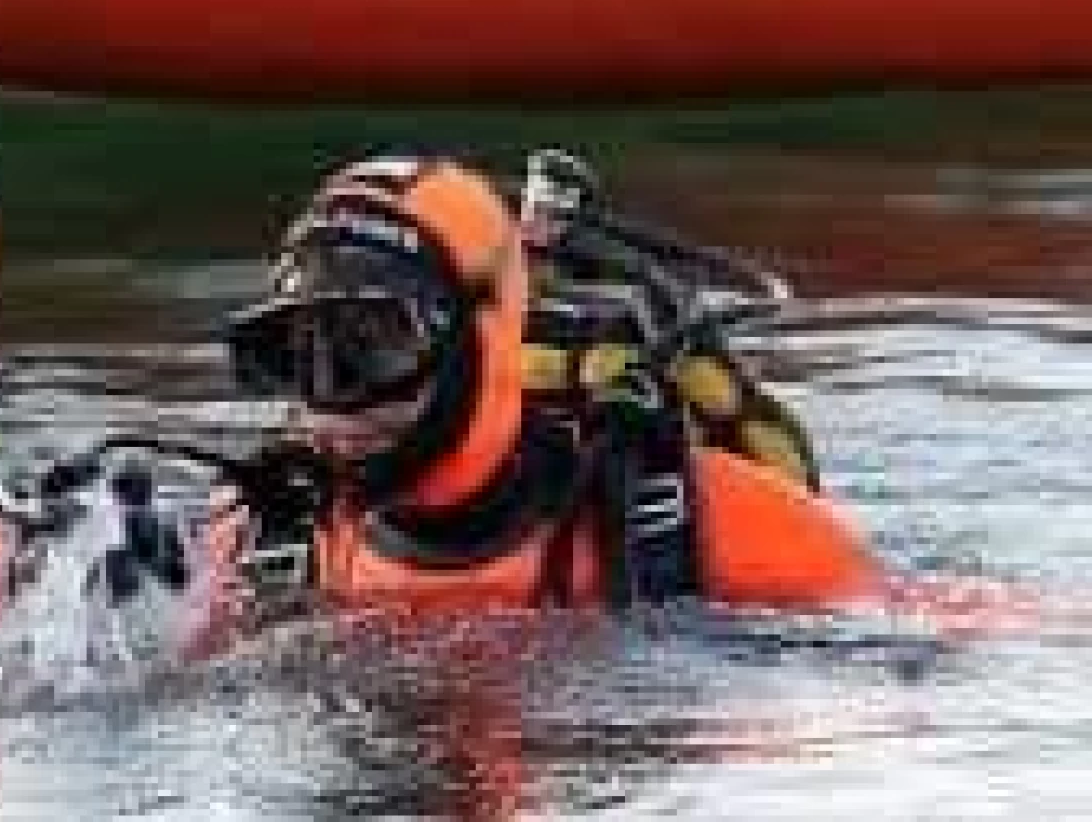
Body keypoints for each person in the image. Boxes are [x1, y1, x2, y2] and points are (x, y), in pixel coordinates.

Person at [207, 151, 882, 618]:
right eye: (296, 350)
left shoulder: (722, 534)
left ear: (485, 339)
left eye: (375, 346)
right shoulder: (254, 552)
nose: (334, 401)